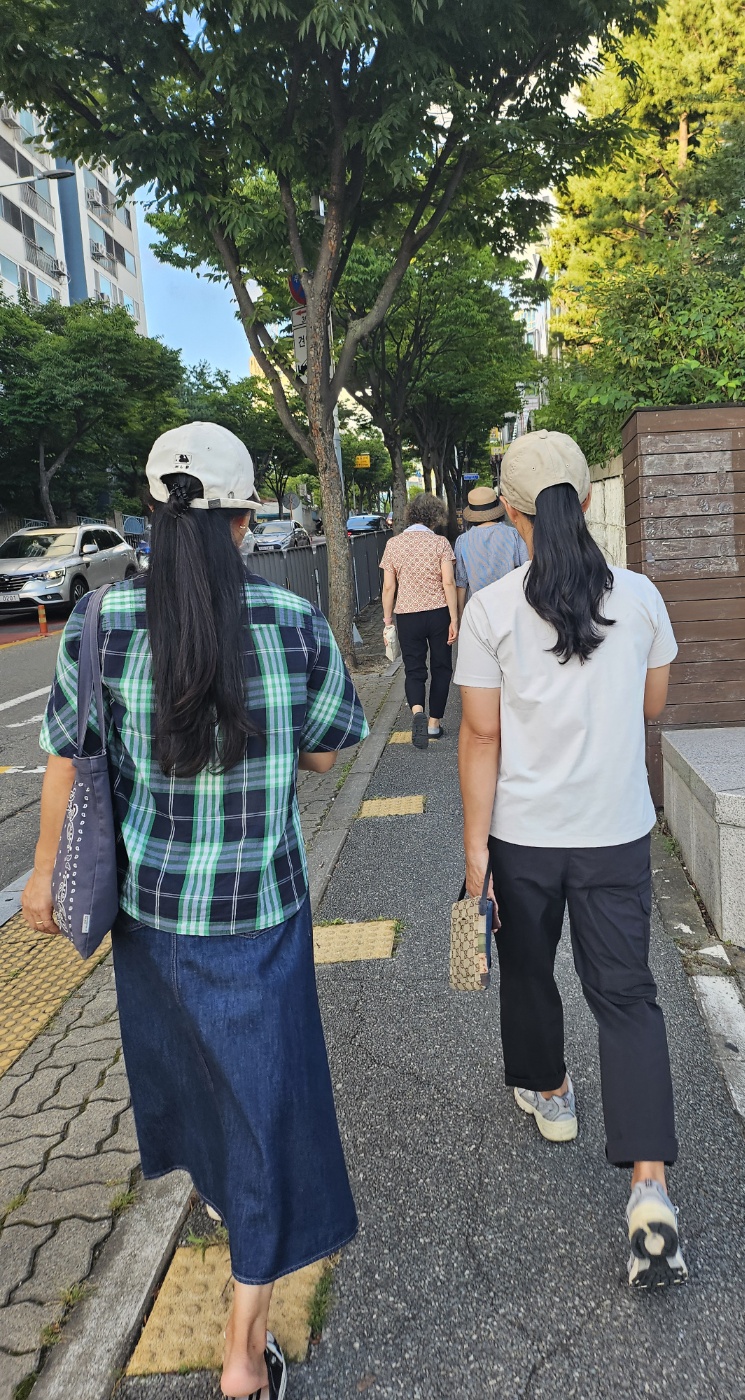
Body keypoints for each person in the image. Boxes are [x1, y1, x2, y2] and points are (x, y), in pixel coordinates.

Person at [22, 422, 368, 1400]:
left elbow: (68, 759)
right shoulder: (292, 619)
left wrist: (43, 877)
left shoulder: (98, 623)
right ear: (245, 519)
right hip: (261, 913)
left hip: (152, 922)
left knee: (201, 1098)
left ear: (150, 514)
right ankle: (242, 1354)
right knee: (272, 1117)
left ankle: (225, 1208)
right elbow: (327, 750)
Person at [455, 429, 686, 1289]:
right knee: (626, 996)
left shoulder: (490, 611)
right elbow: (652, 704)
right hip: (615, 830)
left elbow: (481, 735)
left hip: (522, 835)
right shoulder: (641, 595)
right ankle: (649, 1189)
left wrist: (475, 854)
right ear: (586, 502)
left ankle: (551, 1094)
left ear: (512, 514)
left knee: (527, 969)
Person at [381, 493, 458, 749]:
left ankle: (417, 712)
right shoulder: (440, 543)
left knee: (414, 668)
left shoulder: (394, 544)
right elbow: (449, 582)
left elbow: (389, 587)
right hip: (438, 613)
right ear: (435, 517)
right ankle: (434, 724)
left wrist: (388, 620)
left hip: (407, 615)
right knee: (441, 667)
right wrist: (454, 618)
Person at [453, 485, 529, 613]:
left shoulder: (463, 541)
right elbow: (526, 571)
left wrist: (460, 615)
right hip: (510, 607)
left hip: (477, 609)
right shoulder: (513, 535)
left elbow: (461, 583)